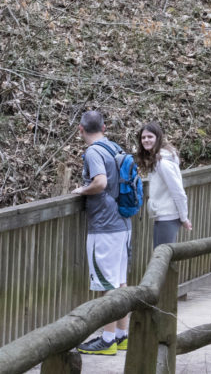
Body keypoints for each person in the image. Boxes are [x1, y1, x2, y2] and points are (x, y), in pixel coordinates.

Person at [71, 110, 131, 356]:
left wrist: (81, 190)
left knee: (108, 284)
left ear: (80, 129)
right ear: (104, 128)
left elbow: (100, 183)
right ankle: (121, 335)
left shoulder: (94, 152)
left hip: (105, 226)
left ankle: (107, 341)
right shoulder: (114, 147)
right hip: (123, 223)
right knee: (120, 281)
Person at [134, 121, 192, 247]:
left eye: (150, 137)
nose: (146, 140)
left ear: (158, 138)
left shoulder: (163, 163)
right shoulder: (158, 159)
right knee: (162, 255)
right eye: (143, 137)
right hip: (164, 215)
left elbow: (178, 191)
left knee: (162, 256)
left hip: (168, 216)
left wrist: (184, 217)